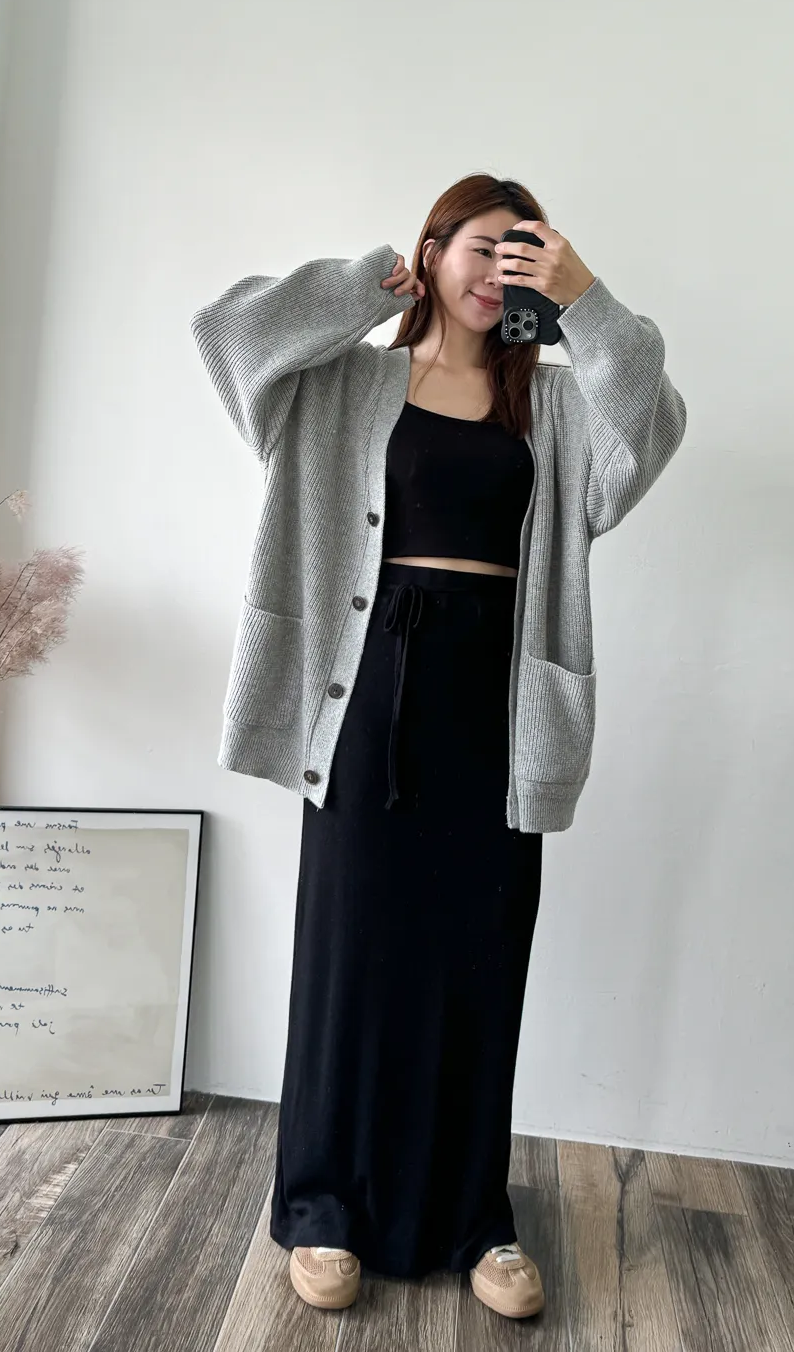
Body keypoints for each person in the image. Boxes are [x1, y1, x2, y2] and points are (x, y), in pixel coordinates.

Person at [190, 173, 687, 1321]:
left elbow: (650, 427)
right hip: (363, 695)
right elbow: (227, 334)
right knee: (351, 953)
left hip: (496, 705)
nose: (497, 271)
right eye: (480, 245)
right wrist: (368, 285)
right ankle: (322, 1206)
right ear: (434, 248)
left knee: (479, 954)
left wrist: (587, 298)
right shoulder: (343, 383)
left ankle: (475, 1217)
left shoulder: (555, 404)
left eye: (523, 255)